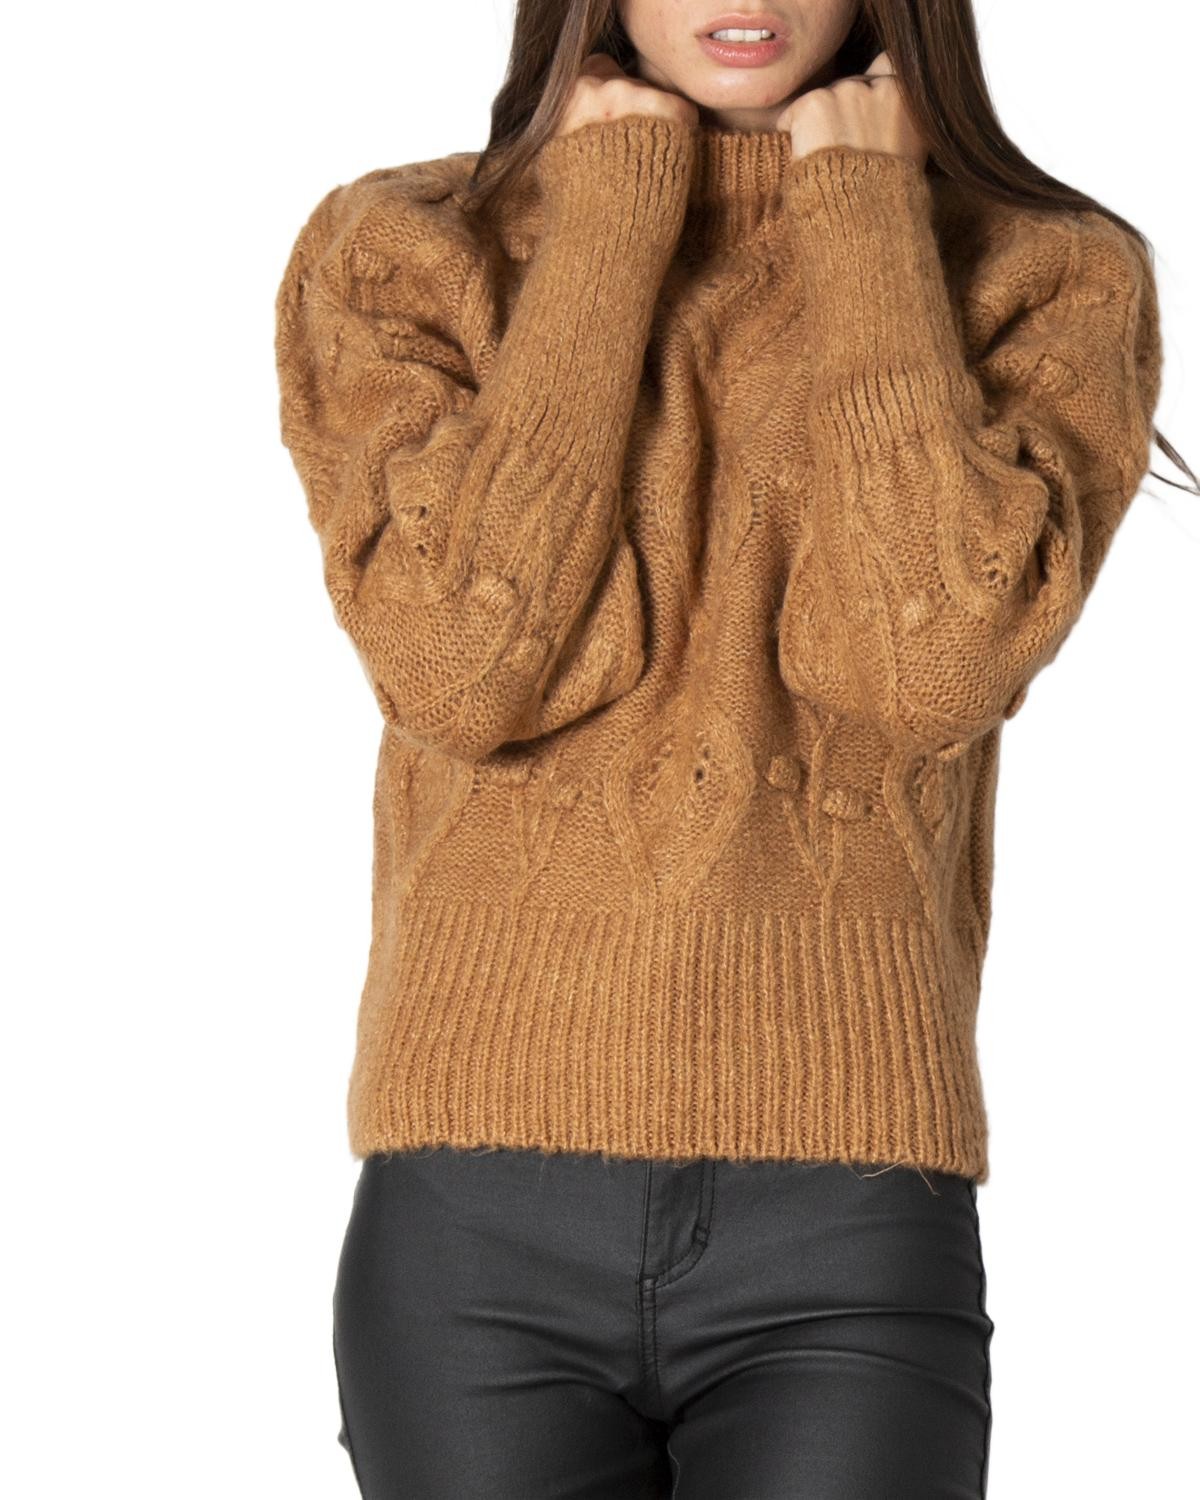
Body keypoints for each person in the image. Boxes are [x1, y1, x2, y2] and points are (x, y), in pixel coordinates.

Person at [273, 3, 1191, 1495]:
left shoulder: (1046, 272)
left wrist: (866, 218)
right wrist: (609, 223)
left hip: (849, 1205)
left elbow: (926, 666)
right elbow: (461, 670)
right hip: (473, 1210)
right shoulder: (406, 253)